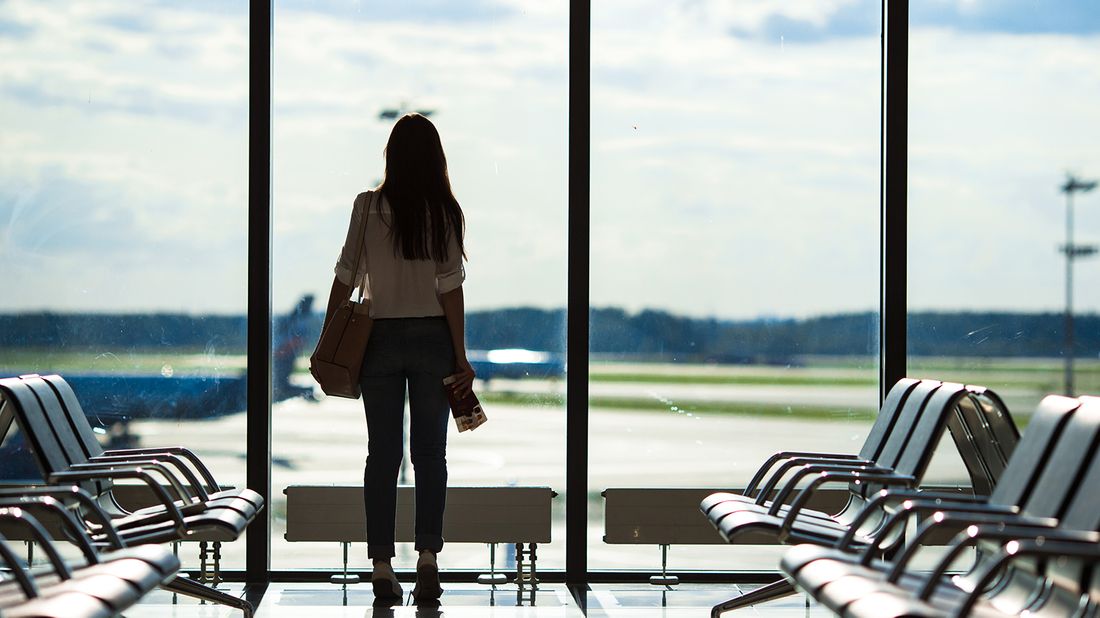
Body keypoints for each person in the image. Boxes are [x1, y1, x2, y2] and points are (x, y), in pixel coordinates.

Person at [321, 113, 475, 605]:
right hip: (432, 338)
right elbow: (450, 291)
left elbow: (346, 276)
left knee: (382, 455)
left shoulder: (367, 207)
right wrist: (460, 354)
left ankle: (382, 567)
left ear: (390, 156)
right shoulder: (443, 213)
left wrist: (329, 337)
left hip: (379, 341)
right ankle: (428, 557)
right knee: (430, 455)